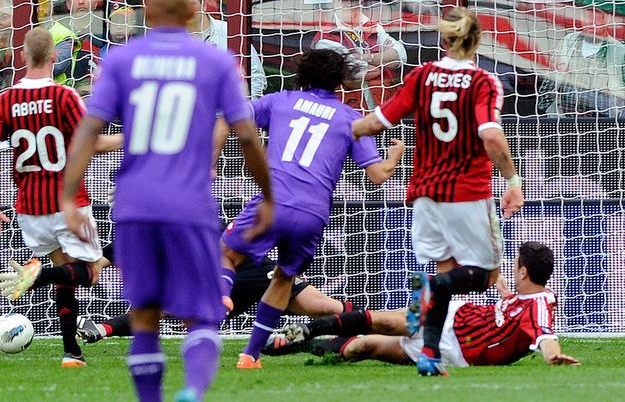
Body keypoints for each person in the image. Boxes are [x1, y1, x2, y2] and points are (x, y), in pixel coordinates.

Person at [60, 0, 273, 400]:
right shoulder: (216, 60)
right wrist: (269, 196)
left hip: (134, 205)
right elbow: (245, 135)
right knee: (205, 312)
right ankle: (192, 389)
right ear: (193, 14)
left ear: (147, 13)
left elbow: (88, 131)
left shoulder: (123, 60)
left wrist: (69, 196)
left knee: (145, 315)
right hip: (189, 204)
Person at [352, 7, 524, 376]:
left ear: (443, 41)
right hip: (468, 195)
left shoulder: (422, 76)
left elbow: (379, 121)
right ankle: (435, 305)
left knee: (445, 271)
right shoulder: (483, 82)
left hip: (426, 197)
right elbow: (491, 135)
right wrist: (512, 180)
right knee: (488, 273)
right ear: (478, 40)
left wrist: (347, 130)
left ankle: (428, 350)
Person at [219, 48, 405, 370]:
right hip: (312, 214)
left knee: (226, 255)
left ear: (301, 74)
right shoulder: (351, 119)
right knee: (283, 279)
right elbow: (378, 177)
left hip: (272, 200)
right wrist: (395, 155)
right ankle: (250, 356)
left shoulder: (280, 101)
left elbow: (233, 116)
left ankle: (222, 294)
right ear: (340, 82)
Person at [0, 27, 116, 367]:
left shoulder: (5, 100)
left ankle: (72, 352)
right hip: (69, 202)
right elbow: (94, 144)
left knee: (64, 271)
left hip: (29, 208)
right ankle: (37, 276)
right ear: (55, 57)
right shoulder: (65, 96)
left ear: (23, 56)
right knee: (88, 273)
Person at [264, 242, 581, 368]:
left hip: (454, 351)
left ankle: (301, 345)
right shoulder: (522, 299)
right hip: (450, 317)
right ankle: (298, 333)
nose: (512, 271)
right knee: (387, 323)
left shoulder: (540, 303)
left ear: (523, 271)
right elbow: (512, 314)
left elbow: (544, 334)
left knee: (360, 348)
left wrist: (553, 356)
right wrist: (501, 288)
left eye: (515, 267)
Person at [77, 226, 358, 344]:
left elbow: (233, 247)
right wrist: (89, 271)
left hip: (253, 274)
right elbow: (106, 258)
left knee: (322, 307)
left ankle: (361, 330)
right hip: (213, 290)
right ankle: (100, 329)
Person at [312, 0, 406, 111]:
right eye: (345, 1)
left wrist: (366, 57)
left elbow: (401, 56)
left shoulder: (372, 27)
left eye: (355, 1)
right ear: (334, 3)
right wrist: (384, 60)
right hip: (347, 112)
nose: (351, 5)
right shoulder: (325, 37)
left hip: (383, 109)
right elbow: (354, 72)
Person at [188, 0, 266, 99]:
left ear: (204, 6)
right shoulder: (173, 39)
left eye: (191, 4)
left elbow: (255, 75)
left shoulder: (230, 32)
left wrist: (246, 108)